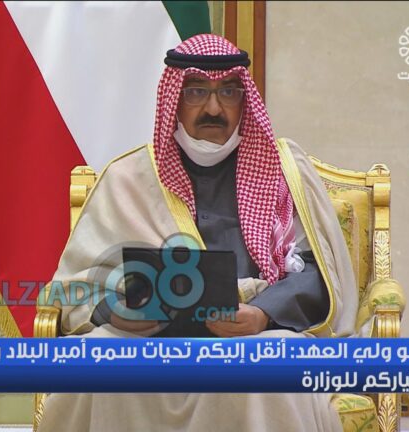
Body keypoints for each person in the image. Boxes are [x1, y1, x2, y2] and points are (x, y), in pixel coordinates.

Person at [37, 34, 358, 431]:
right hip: (146, 340)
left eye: (228, 91)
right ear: (174, 99)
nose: (213, 108)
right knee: (101, 363)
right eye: (196, 91)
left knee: (262, 371)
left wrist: (263, 313)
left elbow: (315, 271)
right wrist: (119, 313)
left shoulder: (285, 171)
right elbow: (81, 286)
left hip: (257, 336)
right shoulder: (128, 177)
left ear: (244, 99)